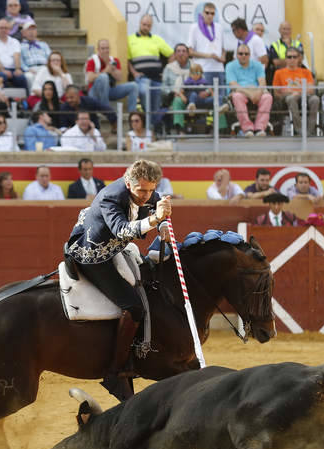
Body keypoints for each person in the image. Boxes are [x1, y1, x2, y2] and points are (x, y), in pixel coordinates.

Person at [64, 158, 170, 398]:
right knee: (134, 308)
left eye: (150, 190)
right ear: (127, 183)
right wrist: (155, 221)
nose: (146, 195)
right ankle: (114, 370)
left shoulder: (147, 190)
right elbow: (122, 230)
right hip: (93, 254)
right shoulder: (112, 197)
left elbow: (156, 203)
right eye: (141, 190)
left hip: (115, 248)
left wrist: (162, 220)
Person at [127, 14, 173, 127]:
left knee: (155, 108)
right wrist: (134, 73)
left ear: (151, 27)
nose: (145, 27)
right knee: (143, 93)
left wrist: (166, 70)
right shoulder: (130, 39)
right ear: (139, 24)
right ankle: (146, 124)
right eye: (144, 24)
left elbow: (172, 54)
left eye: (148, 25)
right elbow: (127, 60)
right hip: (142, 78)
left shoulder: (157, 39)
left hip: (157, 79)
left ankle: (150, 131)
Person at [225, 42, 272, 137]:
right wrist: (250, 94)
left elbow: (262, 82)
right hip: (240, 91)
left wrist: (258, 92)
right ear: (236, 55)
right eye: (240, 53)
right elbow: (233, 85)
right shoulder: (230, 66)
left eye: (246, 54)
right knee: (237, 96)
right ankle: (247, 128)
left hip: (255, 91)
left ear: (250, 55)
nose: (243, 56)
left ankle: (260, 128)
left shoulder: (258, 65)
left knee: (267, 97)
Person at [272, 45, 318, 137]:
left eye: (294, 57)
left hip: (304, 96)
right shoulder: (279, 73)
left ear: (298, 58)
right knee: (291, 99)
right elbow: (276, 93)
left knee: (315, 99)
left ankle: (310, 131)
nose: (292, 59)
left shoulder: (306, 72)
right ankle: (299, 130)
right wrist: (290, 93)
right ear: (286, 59)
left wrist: (299, 93)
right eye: (289, 57)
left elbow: (311, 90)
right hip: (287, 98)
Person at [85, 38, 139, 115]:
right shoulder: (92, 60)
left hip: (110, 91)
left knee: (134, 86)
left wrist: (110, 66)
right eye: (103, 48)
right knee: (104, 77)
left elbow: (120, 78)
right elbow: (89, 78)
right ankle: (107, 111)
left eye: (107, 48)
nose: (105, 51)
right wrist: (105, 71)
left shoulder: (114, 60)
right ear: (98, 50)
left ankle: (132, 115)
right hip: (94, 92)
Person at [187, 2, 225, 87]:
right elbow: (190, 51)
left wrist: (223, 57)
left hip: (219, 69)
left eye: (212, 13)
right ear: (202, 13)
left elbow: (223, 49)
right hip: (203, 69)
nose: (210, 15)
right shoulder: (194, 27)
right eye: (207, 13)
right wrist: (209, 56)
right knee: (205, 98)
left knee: (221, 98)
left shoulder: (219, 27)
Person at [0, 18, 27, 91]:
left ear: (9, 29)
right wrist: (3, 70)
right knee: (2, 76)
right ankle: (5, 100)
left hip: (13, 69)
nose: (3, 30)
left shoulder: (15, 41)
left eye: (6, 28)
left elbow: (16, 56)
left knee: (21, 77)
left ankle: (24, 100)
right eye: (1, 28)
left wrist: (17, 69)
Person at [162, 42, 192, 133]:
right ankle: (180, 129)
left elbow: (201, 83)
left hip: (191, 97)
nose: (181, 53)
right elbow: (164, 86)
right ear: (175, 54)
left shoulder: (195, 67)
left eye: (184, 51)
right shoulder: (169, 68)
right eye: (178, 51)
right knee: (177, 100)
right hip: (173, 97)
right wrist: (172, 92)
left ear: (188, 54)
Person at [267, 20, 303, 85]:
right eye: (284, 29)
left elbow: (300, 61)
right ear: (279, 30)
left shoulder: (298, 44)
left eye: (288, 29)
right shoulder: (274, 45)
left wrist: (283, 61)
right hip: (281, 75)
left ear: (291, 31)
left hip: (297, 74)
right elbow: (276, 63)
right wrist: (294, 60)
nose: (286, 31)